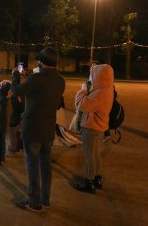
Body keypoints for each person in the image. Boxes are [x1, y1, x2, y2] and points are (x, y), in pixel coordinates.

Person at [11, 47, 65, 212]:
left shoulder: (36, 78)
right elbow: (44, 93)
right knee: (45, 165)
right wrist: (29, 78)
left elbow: (16, 91)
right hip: (48, 128)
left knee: (33, 165)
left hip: (33, 129)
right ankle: (45, 199)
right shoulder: (60, 80)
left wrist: (15, 76)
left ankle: (34, 202)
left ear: (41, 62)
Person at [73, 64, 114, 193]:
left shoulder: (99, 93)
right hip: (100, 127)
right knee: (95, 154)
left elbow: (80, 104)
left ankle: (89, 182)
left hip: (91, 127)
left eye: (93, 75)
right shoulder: (108, 89)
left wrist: (83, 89)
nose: (91, 78)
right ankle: (97, 178)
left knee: (89, 155)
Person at [6, 62, 27, 157]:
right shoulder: (23, 86)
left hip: (16, 114)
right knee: (18, 131)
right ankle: (18, 146)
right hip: (21, 113)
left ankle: (13, 149)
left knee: (12, 131)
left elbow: (16, 99)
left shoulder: (16, 89)